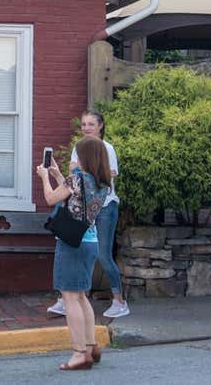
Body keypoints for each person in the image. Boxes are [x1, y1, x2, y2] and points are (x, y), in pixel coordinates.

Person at [38, 137, 113, 371]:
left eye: (78, 154)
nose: (76, 158)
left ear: (86, 157)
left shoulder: (77, 179)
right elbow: (77, 198)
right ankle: (91, 346)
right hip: (90, 241)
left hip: (71, 244)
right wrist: (59, 175)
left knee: (69, 298)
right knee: (81, 296)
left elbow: (51, 198)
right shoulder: (102, 183)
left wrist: (44, 178)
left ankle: (79, 353)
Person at [48, 111, 128, 320]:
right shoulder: (80, 147)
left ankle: (119, 301)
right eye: (83, 124)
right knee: (78, 248)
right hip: (83, 205)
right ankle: (68, 297)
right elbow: (74, 175)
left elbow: (105, 174)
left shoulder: (105, 148)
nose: (86, 128)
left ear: (100, 126)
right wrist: (65, 173)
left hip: (104, 206)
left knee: (102, 253)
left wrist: (76, 172)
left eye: (91, 124)